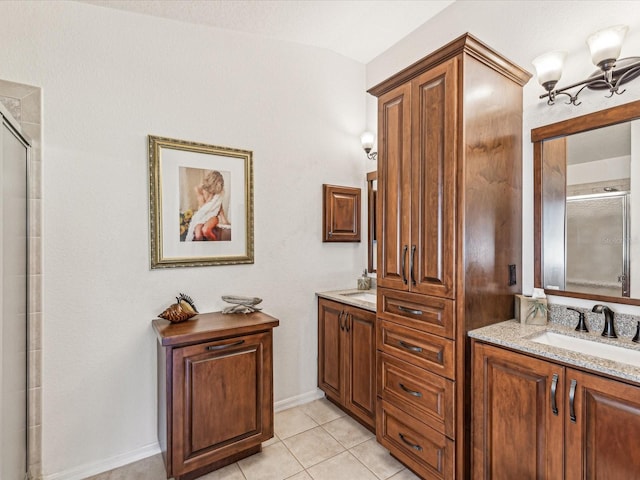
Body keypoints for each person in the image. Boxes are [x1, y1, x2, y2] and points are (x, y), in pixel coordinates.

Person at [185, 170, 229, 241]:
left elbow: (218, 205)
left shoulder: (220, 193)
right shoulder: (204, 190)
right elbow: (204, 207)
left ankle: (215, 245)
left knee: (205, 230)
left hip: (213, 216)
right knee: (198, 234)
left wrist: (223, 219)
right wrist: (209, 196)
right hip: (202, 216)